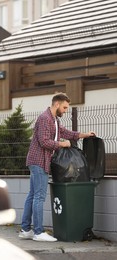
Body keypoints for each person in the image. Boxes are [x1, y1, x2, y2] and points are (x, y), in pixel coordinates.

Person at [19, 93, 95, 242]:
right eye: (65, 107)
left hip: (38, 161)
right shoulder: (45, 118)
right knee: (39, 196)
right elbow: (44, 142)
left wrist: (84, 135)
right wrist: (63, 144)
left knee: (33, 195)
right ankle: (38, 232)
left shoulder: (54, 119)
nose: (66, 110)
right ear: (57, 104)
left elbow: (65, 132)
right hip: (39, 160)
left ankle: (25, 229)